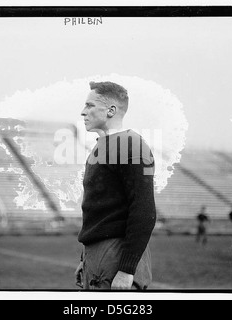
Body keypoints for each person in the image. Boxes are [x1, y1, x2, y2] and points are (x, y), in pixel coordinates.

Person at [75, 81, 157, 290]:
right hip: (98, 256)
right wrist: (85, 259)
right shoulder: (101, 146)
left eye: (90, 105)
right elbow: (101, 211)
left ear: (111, 110)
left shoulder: (131, 145)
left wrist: (127, 269)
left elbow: (144, 210)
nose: (83, 112)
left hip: (116, 255)